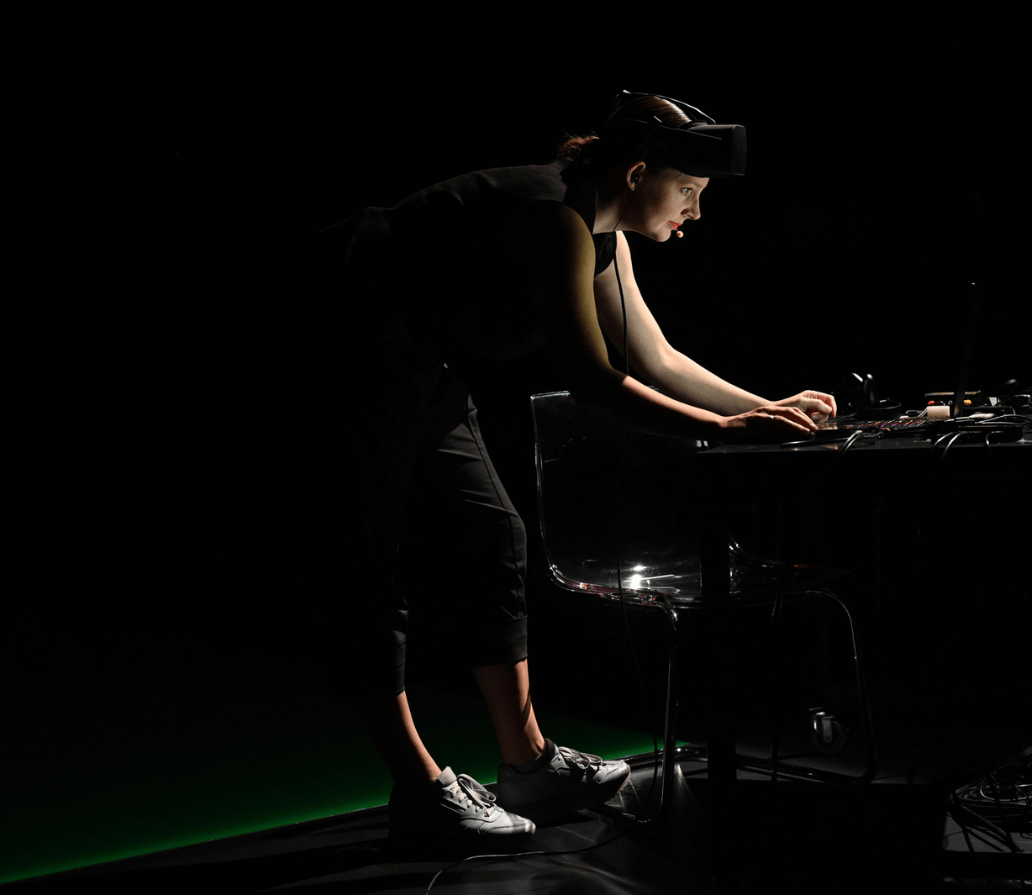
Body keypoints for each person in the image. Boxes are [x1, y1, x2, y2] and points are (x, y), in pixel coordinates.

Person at [306, 91, 837, 840]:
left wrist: (771, 408)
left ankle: (527, 766)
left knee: (496, 537)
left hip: (424, 365)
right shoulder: (556, 219)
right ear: (637, 172)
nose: (695, 211)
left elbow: (655, 357)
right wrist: (725, 427)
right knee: (368, 571)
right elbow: (597, 381)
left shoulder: (601, 231)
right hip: (348, 348)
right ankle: (419, 788)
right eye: (688, 191)